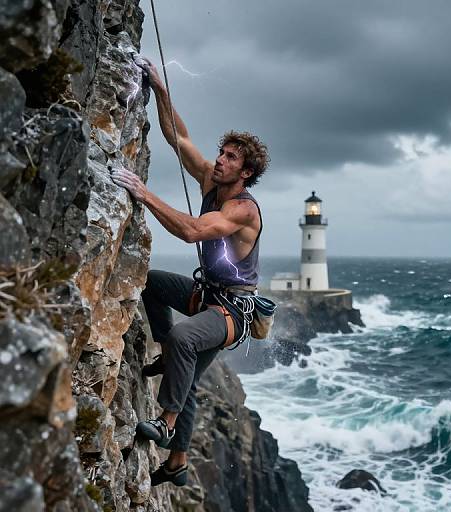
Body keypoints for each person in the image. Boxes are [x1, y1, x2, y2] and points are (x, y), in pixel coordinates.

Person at [111, 57, 270, 487]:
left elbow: (193, 230)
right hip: (207, 296)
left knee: (185, 341)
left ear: (246, 172)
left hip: (231, 314)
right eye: (221, 152)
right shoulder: (210, 181)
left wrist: (143, 193)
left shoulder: (242, 211)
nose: (219, 160)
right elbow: (176, 136)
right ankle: (177, 463)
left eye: (230, 158)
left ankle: (165, 422)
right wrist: (160, 90)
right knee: (147, 283)